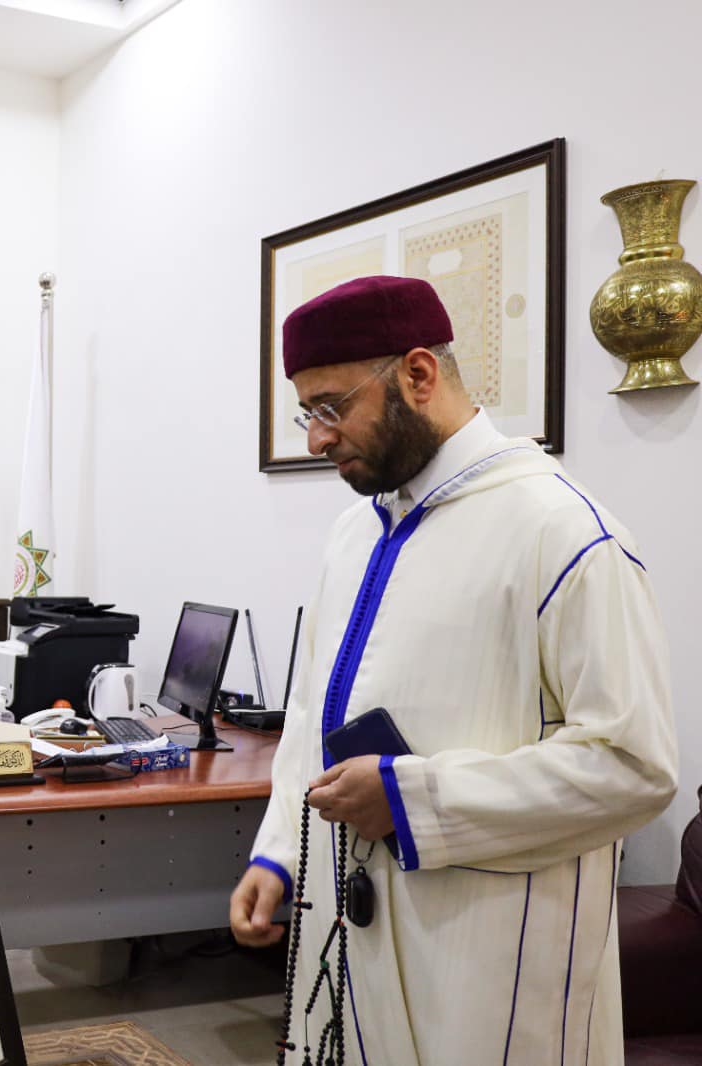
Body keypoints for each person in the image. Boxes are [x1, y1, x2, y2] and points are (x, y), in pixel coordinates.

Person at [228, 275, 678, 1065]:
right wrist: (280, 853)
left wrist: (413, 798)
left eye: (331, 407)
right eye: (307, 413)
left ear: (418, 374)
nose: (317, 439)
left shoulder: (565, 533)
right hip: (352, 921)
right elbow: (309, 711)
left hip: (490, 955)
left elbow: (633, 765)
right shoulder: (354, 533)